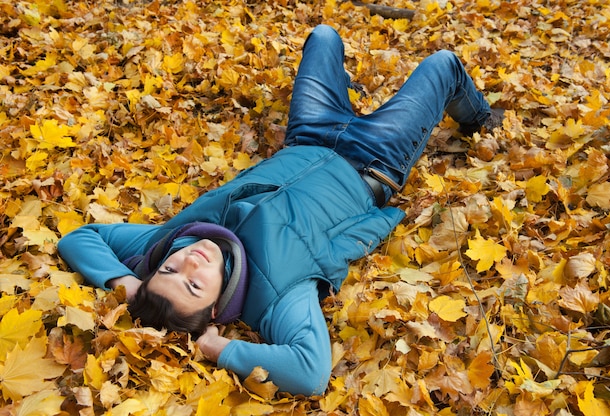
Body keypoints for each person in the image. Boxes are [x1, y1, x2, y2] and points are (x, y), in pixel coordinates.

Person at [57, 24, 504, 396]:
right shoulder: (275, 297)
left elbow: (77, 238)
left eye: (169, 272)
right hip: (374, 159)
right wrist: (222, 351)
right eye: (195, 285)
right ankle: (480, 119)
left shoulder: (165, 241)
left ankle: (348, 96)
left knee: (324, 36)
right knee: (442, 64)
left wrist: (127, 285)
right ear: (216, 311)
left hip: (311, 132)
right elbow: (310, 373)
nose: (189, 262)